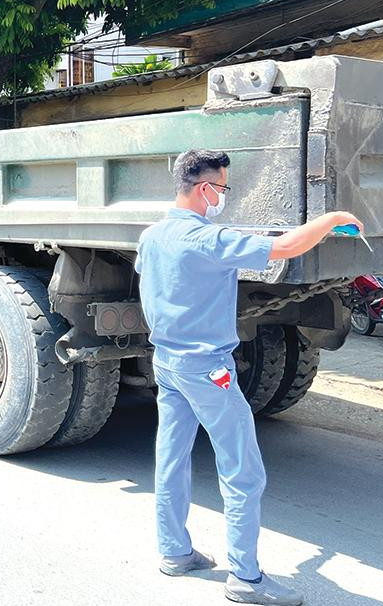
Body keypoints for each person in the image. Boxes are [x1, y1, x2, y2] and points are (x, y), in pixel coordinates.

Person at [135, 149, 363, 606]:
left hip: (168, 362)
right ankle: (245, 579)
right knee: (243, 472)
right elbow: (284, 249)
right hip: (208, 369)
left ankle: (175, 553)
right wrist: (333, 218)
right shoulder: (209, 240)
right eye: (222, 188)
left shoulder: (152, 236)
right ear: (204, 189)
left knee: (172, 458)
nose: (223, 196)